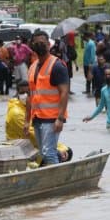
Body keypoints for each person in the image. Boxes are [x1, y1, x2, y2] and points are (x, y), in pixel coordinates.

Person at [24, 30, 70, 165]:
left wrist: (60, 118)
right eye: (36, 43)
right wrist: (27, 120)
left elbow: (64, 92)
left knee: (48, 153)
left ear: (48, 45)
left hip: (52, 118)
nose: (39, 45)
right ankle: (63, 155)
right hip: (37, 117)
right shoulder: (32, 67)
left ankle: (58, 182)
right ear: (32, 45)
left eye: (42, 43)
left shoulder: (57, 66)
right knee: (43, 152)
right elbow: (29, 96)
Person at [6, 80, 73, 164]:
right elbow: (33, 135)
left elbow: (45, 132)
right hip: (21, 149)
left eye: (28, 92)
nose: (26, 95)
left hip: (32, 146)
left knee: (68, 152)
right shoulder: (16, 113)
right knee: (56, 155)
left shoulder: (31, 107)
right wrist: (59, 149)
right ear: (17, 94)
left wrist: (62, 148)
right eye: (22, 92)